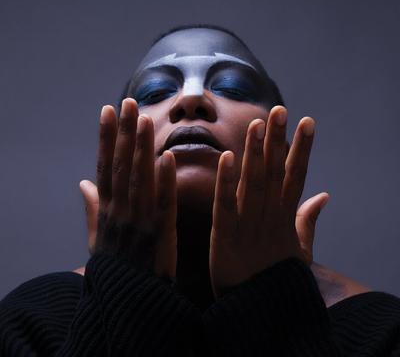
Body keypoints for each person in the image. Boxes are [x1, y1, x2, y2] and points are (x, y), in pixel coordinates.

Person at [1, 24, 399, 356]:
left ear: (283, 145)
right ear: (119, 139)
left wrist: (271, 299)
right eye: (155, 93)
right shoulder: (33, 320)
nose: (192, 98)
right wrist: (123, 285)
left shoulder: (380, 330)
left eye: (234, 88)